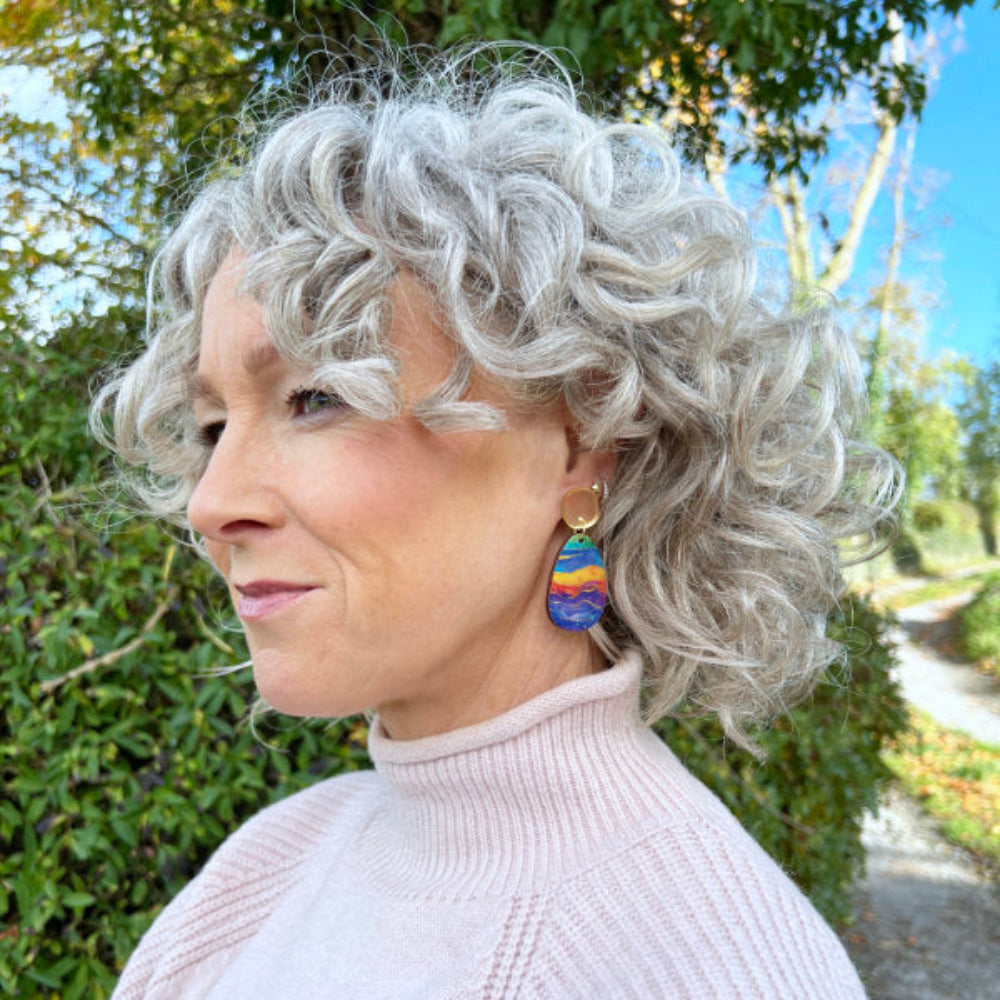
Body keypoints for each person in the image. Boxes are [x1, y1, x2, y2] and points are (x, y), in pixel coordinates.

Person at [94, 44, 898, 1000]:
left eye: (316, 396)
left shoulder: (715, 967)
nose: (210, 501)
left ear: (584, 438)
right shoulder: (263, 871)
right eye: (213, 424)